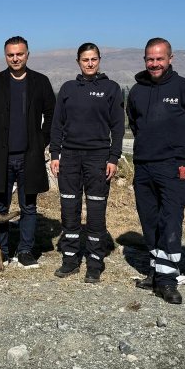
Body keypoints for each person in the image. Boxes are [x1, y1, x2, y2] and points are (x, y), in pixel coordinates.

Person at [127, 38, 185, 304]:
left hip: (173, 167)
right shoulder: (136, 91)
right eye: (150, 59)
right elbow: (135, 124)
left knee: (170, 222)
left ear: (171, 58)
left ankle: (168, 281)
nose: (155, 63)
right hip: (144, 166)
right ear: (145, 60)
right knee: (149, 221)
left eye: (160, 58)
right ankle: (156, 271)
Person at [0, 36, 55, 269]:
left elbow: (52, 115)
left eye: (19, 54)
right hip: (1, 156)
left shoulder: (40, 82)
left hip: (29, 156)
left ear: (27, 54)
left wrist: (41, 141)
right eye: (11, 54)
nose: (15, 58)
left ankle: (25, 251)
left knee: (28, 206)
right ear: (5, 56)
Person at [50, 43, 124, 283]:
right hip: (70, 157)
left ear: (99, 60)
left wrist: (113, 157)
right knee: (69, 210)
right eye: (85, 59)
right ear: (78, 62)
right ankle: (70, 259)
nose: (90, 63)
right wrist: (54, 154)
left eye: (93, 59)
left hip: (98, 157)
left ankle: (94, 263)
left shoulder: (111, 88)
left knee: (95, 212)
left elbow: (118, 127)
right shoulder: (68, 89)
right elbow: (57, 124)